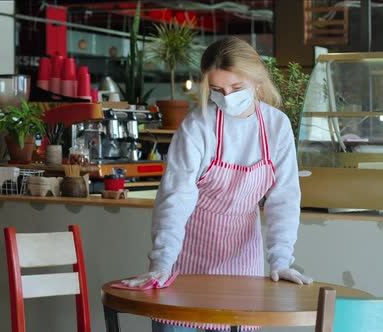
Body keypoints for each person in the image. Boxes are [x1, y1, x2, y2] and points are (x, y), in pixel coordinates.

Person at [122, 37, 313, 331]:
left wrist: (280, 259)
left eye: (236, 89)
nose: (227, 97)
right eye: (217, 90)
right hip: (186, 262)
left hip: (242, 266)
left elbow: (283, 199)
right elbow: (175, 197)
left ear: (257, 81)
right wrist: (161, 262)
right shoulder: (198, 125)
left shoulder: (276, 126)